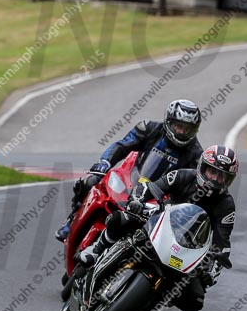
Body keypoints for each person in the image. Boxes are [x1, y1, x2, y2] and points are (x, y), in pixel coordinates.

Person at [80, 144, 239, 311]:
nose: (216, 179)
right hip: (158, 219)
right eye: (212, 172)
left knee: (195, 301)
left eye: (223, 176)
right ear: (202, 167)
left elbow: (222, 244)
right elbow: (153, 187)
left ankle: (152, 300)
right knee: (122, 218)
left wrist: (212, 271)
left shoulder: (226, 206)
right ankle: (96, 249)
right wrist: (137, 200)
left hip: (186, 247)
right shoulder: (184, 175)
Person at [55, 99, 203, 241]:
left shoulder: (196, 155)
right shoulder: (148, 129)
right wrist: (104, 163)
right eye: (179, 126)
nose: (182, 132)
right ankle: (72, 220)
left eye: (188, 129)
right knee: (89, 182)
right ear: (169, 122)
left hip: (158, 196)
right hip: (130, 176)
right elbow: (121, 145)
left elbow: (191, 187)